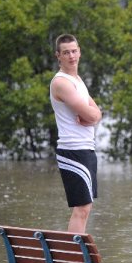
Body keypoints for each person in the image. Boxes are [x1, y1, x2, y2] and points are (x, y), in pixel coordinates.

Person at [50, 34, 102, 234]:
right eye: (66, 52)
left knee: (85, 208)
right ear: (58, 56)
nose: (71, 56)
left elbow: (96, 114)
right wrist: (92, 116)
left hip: (86, 149)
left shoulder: (77, 80)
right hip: (73, 151)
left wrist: (92, 116)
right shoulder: (61, 83)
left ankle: (74, 257)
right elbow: (90, 113)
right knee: (81, 208)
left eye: (74, 51)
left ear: (79, 52)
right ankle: (74, 258)